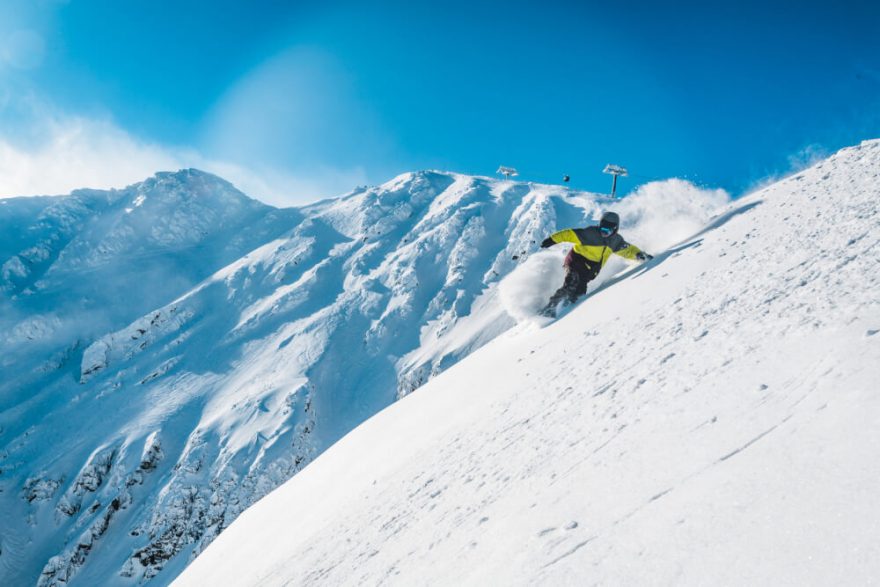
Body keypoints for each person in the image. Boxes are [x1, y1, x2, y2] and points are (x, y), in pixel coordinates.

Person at [539, 211, 652, 317]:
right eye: (602, 229)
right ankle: (550, 309)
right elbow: (569, 234)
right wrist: (552, 240)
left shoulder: (616, 241)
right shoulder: (590, 233)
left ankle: (565, 310)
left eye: (607, 231)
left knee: (580, 292)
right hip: (576, 260)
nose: (604, 233)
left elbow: (628, 250)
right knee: (571, 283)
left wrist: (639, 255)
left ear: (615, 230)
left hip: (590, 269)